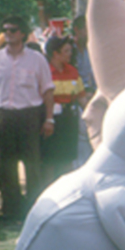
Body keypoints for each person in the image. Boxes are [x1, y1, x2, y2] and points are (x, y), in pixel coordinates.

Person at [0, 15, 55, 220]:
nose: (8, 33)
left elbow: (48, 90)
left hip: (30, 116)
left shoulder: (37, 59)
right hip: (3, 116)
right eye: (5, 30)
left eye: (12, 30)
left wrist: (49, 119)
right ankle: (11, 210)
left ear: (22, 33)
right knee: (6, 166)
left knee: (32, 165)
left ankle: (33, 210)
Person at [41, 36, 86, 184]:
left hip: (69, 119)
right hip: (50, 119)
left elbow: (81, 97)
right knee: (50, 160)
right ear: (55, 53)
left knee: (67, 158)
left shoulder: (73, 71)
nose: (70, 54)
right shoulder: (45, 72)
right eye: (66, 51)